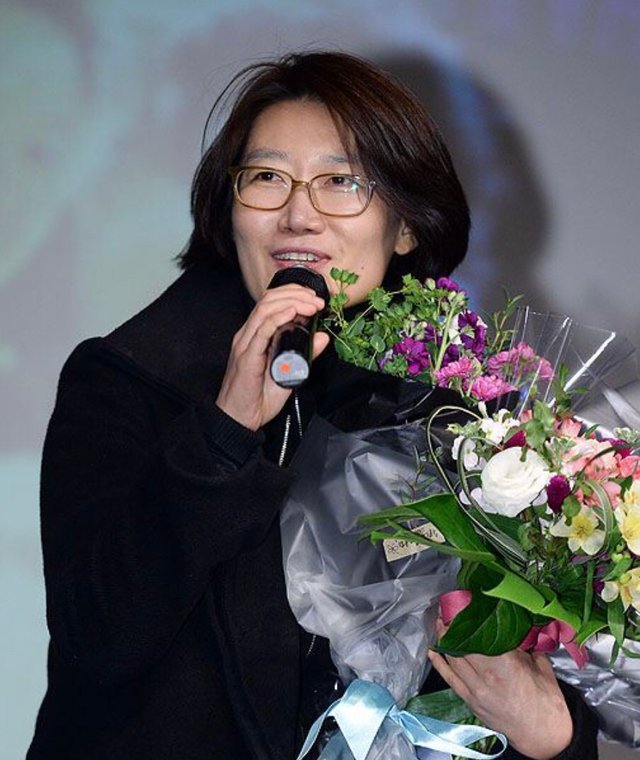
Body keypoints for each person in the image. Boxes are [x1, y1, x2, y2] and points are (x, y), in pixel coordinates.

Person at [27, 51, 598, 759]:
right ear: (229, 207)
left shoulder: (469, 420)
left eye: (341, 182)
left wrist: (556, 738)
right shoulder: (127, 381)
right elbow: (97, 640)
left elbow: (517, 677)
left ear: (406, 226)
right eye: (266, 178)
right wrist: (223, 432)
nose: (299, 215)